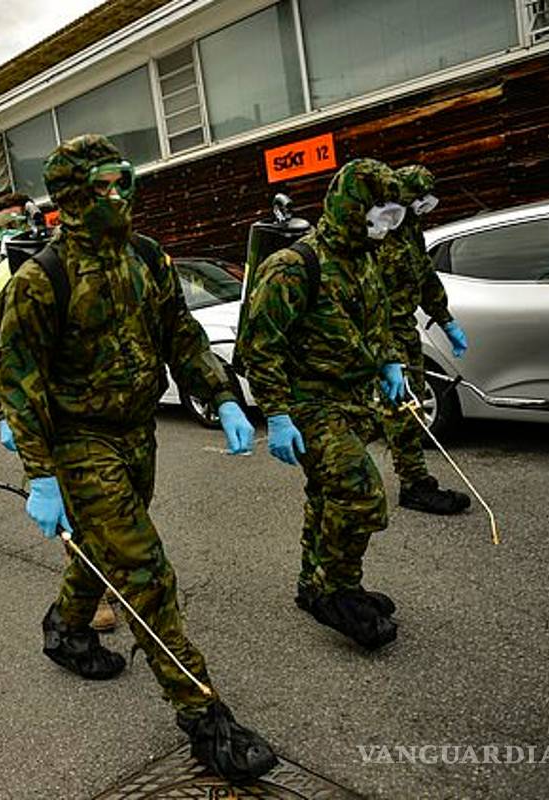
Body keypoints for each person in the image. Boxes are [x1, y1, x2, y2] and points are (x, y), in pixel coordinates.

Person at [0, 134, 275, 782]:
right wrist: (40, 474)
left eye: (122, 182)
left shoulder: (148, 258)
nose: (117, 197)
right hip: (80, 443)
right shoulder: (42, 280)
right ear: (70, 197)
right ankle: (206, 720)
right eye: (101, 188)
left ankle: (67, 630)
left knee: (105, 550)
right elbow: (20, 383)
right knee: (146, 573)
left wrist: (221, 395)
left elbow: (182, 332)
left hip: (137, 433)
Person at [235, 158, 408, 651]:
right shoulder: (293, 266)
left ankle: (313, 585)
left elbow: (377, 321)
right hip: (309, 403)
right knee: (360, 493)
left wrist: (389, 362)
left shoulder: (364, 258)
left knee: (325, 494)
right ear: (352, 208)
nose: (386, 227)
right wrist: (278, 413)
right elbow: (257, 346)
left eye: (394, 218)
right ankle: (339, 590)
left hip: (352, 399)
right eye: (380, 215)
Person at [0, 192, 119, 633]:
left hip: (90, 401)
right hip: (37, 406)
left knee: (112, 496)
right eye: (1, 227)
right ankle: (93, 594)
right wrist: (2, 412)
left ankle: (109, 575)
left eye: (17, 223)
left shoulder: (67, 260)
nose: (11, 234)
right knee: (74, 505)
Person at [377, 165, 470, 514]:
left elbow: (425, 276)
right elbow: (367, 298)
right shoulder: (379, 235)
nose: (422, 208)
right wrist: (385, 353)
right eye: (417, 201)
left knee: (403, 406)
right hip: (382, 334)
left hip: (404, 330)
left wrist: (445, 319)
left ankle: (403, 475)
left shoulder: (410, 231)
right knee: (403, 408)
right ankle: (414, 485)